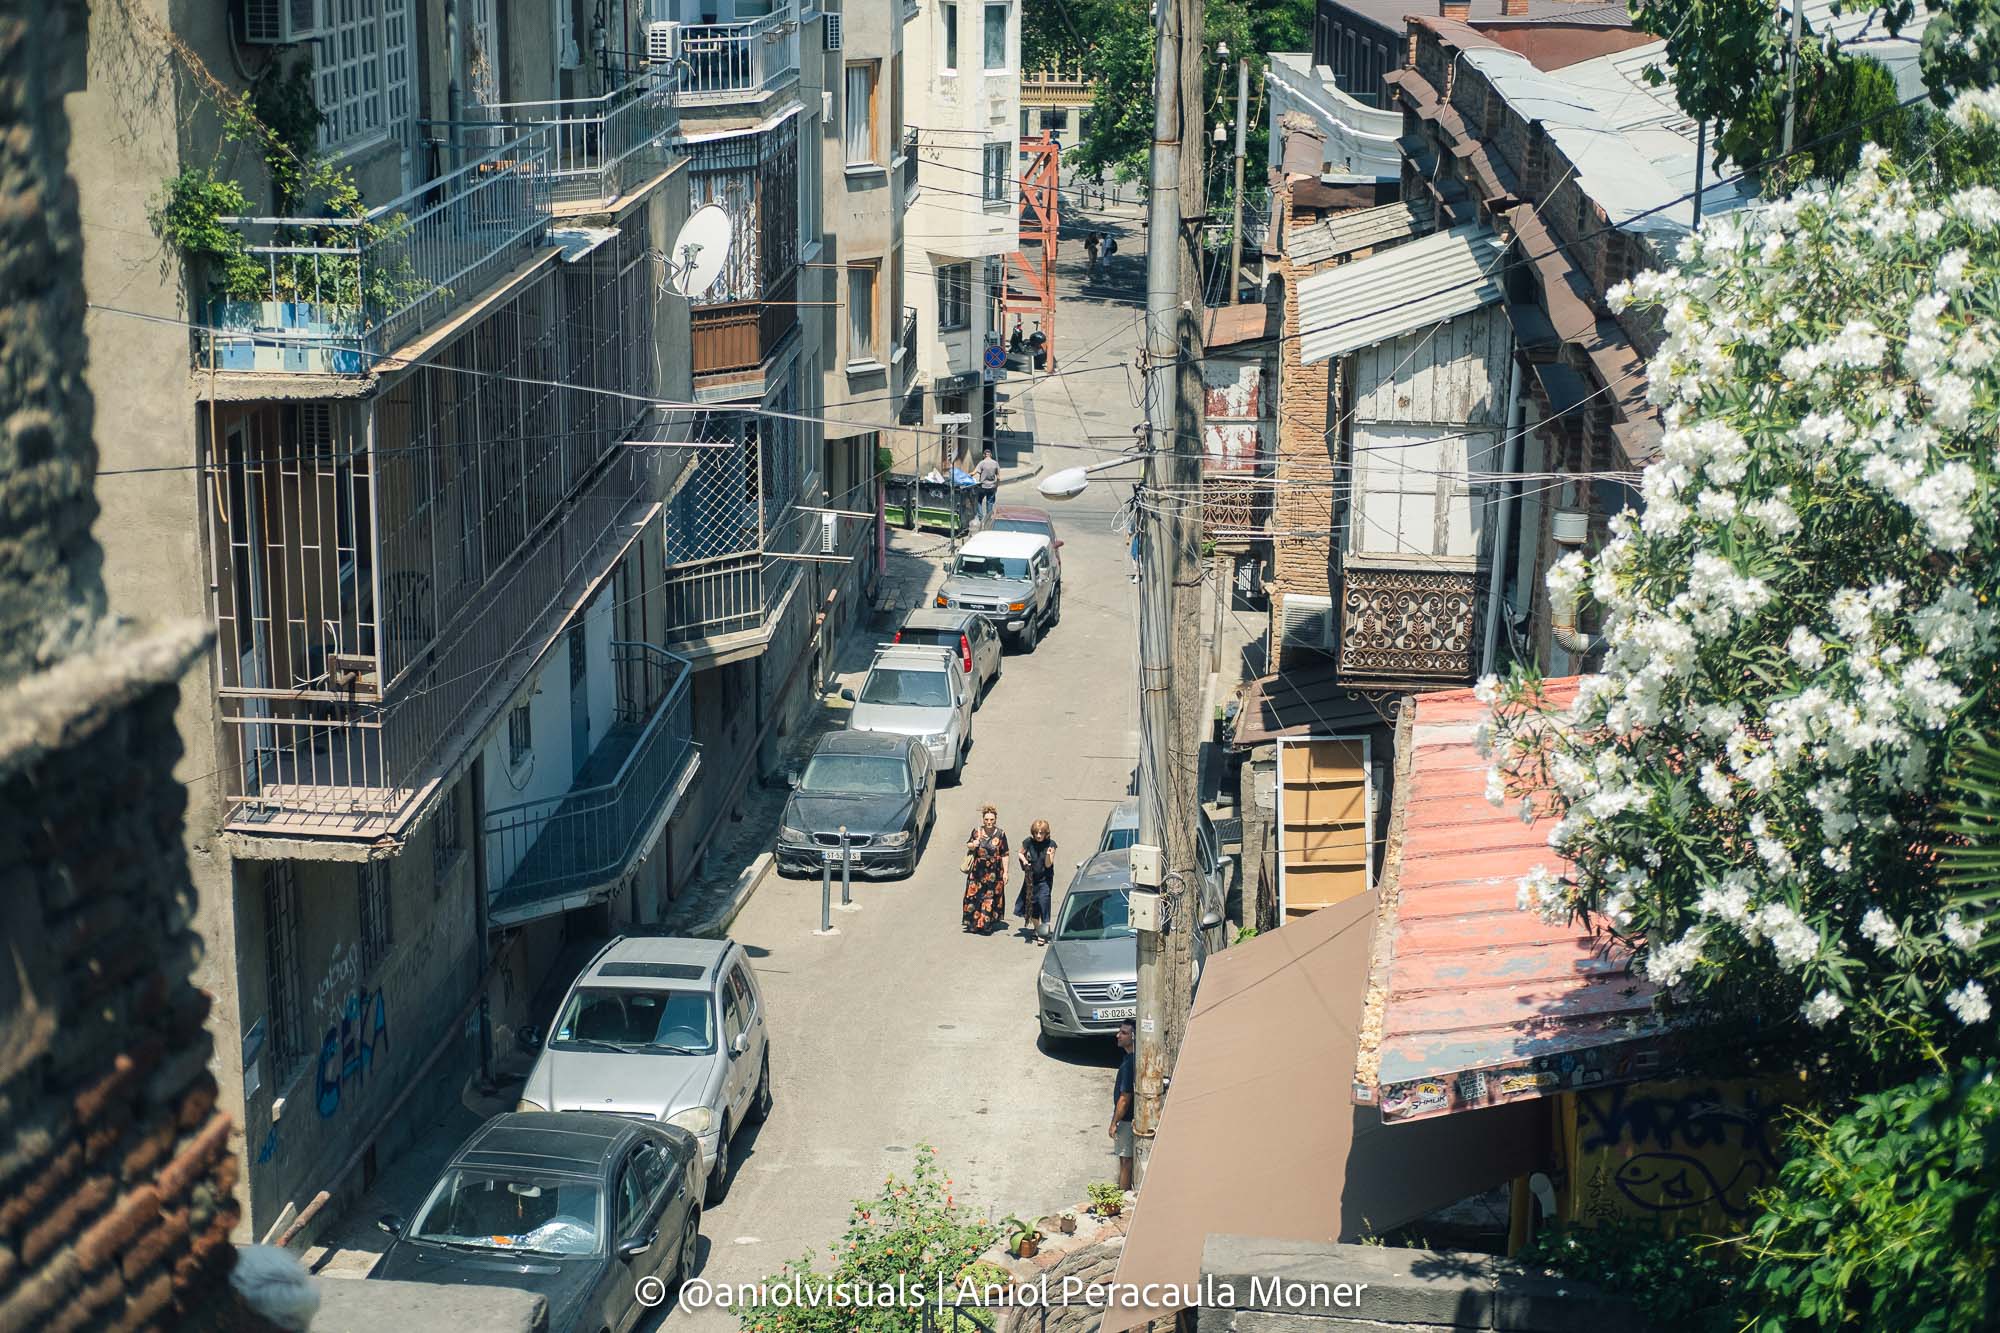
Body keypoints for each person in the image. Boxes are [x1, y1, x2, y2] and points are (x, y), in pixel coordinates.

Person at [962, 804, 1009, 934]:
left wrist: (1005, 872)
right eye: (987, 819)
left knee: (989, 897)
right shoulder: (977, 832)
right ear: (983, 819)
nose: (989, 822)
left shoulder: (1000, 834)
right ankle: (974, 923)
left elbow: (1005, 854)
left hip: (994, 871)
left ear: (995, 819)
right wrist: (974, 844)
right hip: (978, 870)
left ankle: (985, 924)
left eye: (991, 819)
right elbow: (969, 845)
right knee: (974, 896)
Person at [1015, 819, 1058, 943]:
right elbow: (1020, 852)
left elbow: (1048, 865)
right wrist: (1024, 860)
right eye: (1036, 833)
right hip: (1031, 879)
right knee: (1033, 905)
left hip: (1045, 880)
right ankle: (1038, 930)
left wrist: (1049, 855)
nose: (1039, 836)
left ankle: (1043, 934)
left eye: (1041, 833)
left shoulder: (1051, 844)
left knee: (1044, 902)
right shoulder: (1029, 842)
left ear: (1046, 833)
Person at [1110, 1019, 1136, 1190]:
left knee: (1125, 1160)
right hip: (1130, 1119)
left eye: (1124, 1033)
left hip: (1126, 1120)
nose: (1118, 1035)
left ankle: (1122, 1197)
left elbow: (1124, 1098)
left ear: (1133, 1037)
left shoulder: (1129, 1064)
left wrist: (1114, 1122)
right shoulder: (1131, 1059)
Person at [973, 446, 1001, 524]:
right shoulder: (995, 463)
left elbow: (974, 472)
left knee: (978, 501)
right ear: (991, 455)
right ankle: (988, 520)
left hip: (982, 486)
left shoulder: (982, 463)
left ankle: (981, 518)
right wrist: (996, 486)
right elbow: (998, 477)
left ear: (984, 455)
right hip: (992, 487)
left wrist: (966, 476)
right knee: (990, 503)